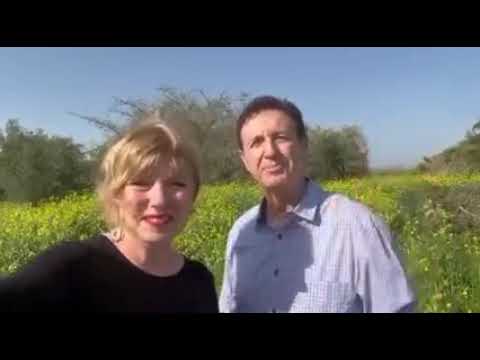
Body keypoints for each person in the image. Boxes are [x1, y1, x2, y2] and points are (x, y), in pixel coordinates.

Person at [0, 112, 218, 312]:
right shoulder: (72, 268)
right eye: (141, 183)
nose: (159, 200)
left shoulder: (199, 281)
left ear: (193, 195)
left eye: (177, 184)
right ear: (116, 194)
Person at [219, 95, 416, 313]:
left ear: (304, 146)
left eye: (280, 138)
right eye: (256, 142)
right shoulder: (240, 233)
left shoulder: (358, 226)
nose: (270, 152)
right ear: (245, 160)